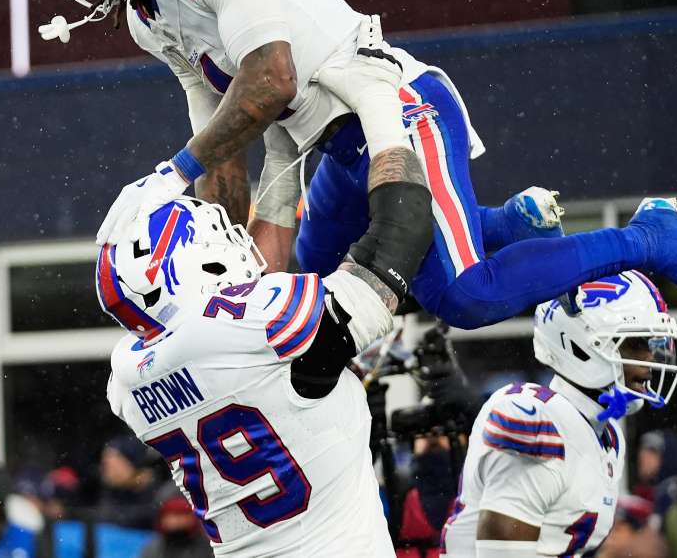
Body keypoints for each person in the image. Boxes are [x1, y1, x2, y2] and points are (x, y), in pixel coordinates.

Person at [21, 0, 677, 334]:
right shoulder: (150, 15)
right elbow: (226, 138)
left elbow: (270, 79)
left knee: (461, 298)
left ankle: (652, 238)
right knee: (296, 300)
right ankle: (495, 222)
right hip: (330, 150)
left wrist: (170, 176)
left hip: (393, 109)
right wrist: (225, 245)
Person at [102, 188, 437, 554]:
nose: (232, 244)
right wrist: (387, 130)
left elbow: (239, 344)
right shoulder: (251, 334)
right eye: (209, 243)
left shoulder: (128, 380)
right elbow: (404, 228)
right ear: (182, 273)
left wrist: (280, 166)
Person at [438, 271, 677, 556]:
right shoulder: (534, 421)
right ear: (580, 343)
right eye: (637, 343)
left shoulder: (608, 435)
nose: (650, 360)